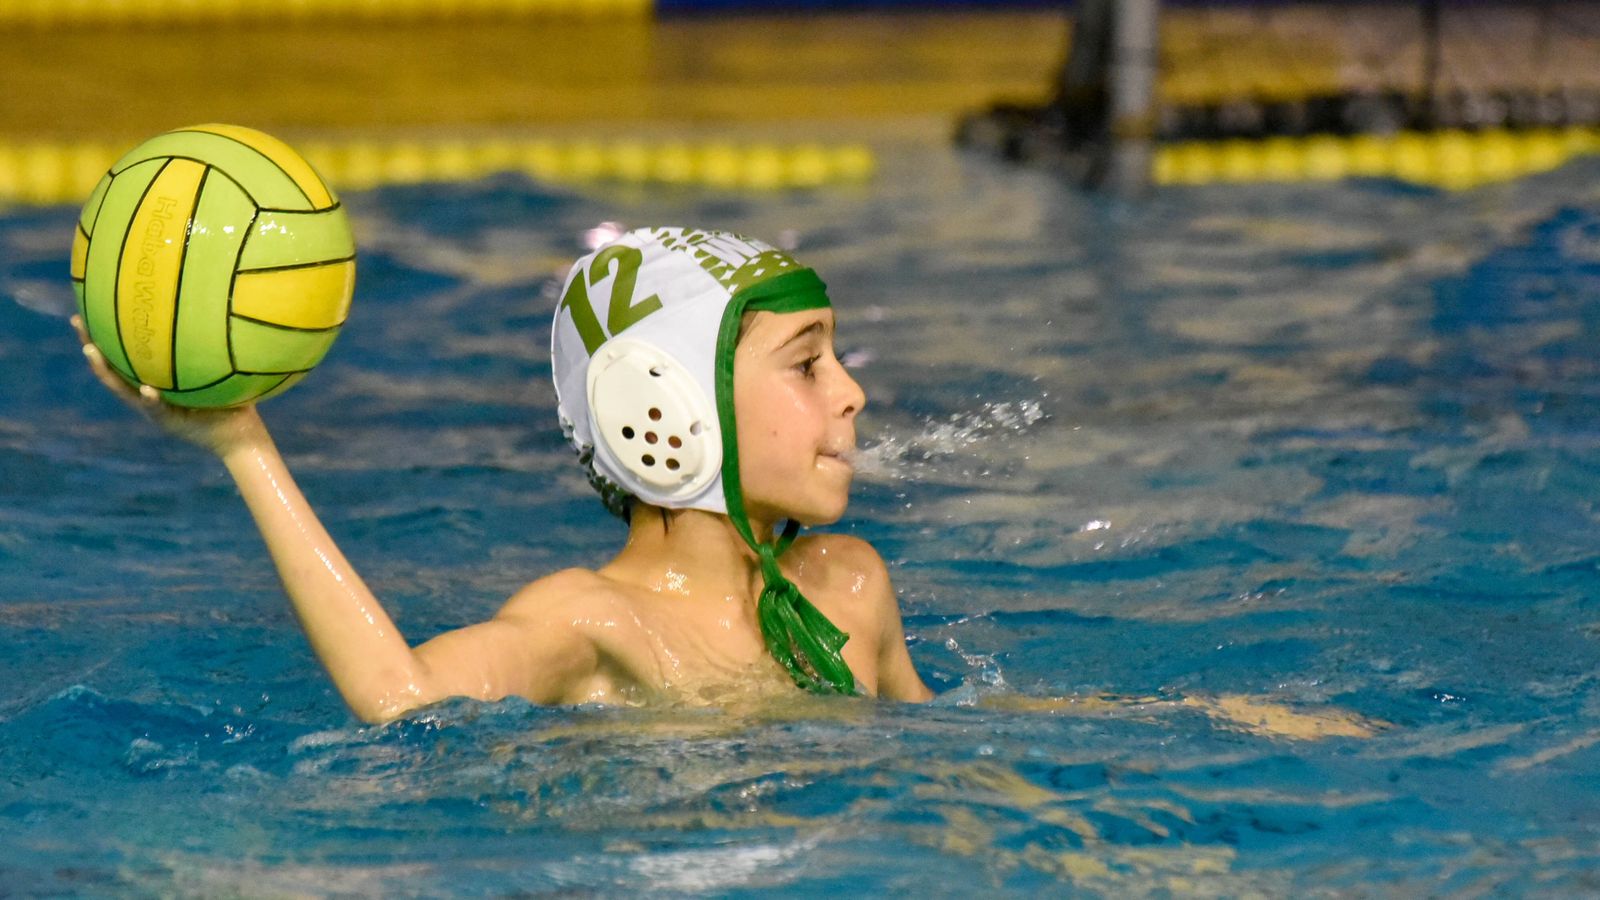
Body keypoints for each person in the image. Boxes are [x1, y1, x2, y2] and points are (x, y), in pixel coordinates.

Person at [76, 226, 933, 723]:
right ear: (668, 403)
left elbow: (946, 752)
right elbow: (402, 697)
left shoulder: (850, 588)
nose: (851, 393)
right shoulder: (593, 624)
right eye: (807, 363)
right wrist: (245, 447)